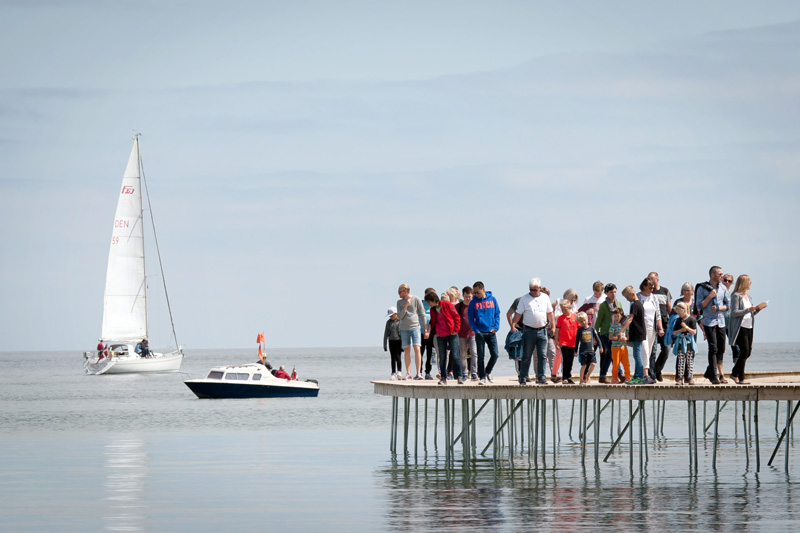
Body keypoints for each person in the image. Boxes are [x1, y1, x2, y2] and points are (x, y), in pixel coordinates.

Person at [510, 278, 555, 385]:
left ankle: (541, 376)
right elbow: (518, 313)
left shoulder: (545, 298)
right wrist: (513, 325)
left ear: (540, 288)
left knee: (542, 355)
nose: (533, 292)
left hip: (542, 330)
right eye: (531, 290)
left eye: (535, 290)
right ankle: (523, 376)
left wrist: (553, 326)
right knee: (526, 355)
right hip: (528, 330)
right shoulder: (524, 299)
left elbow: (550, 313)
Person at [729, 274, 767, 384]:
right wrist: (747, 310)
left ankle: (734, 373)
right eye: (749, 282)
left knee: (748, 352)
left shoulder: (748, 297)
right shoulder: (736, 296)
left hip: (749, 326)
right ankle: (741, 377)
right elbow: (734, 313)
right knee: (744, 351)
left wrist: (758, 309)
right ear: (744, 283)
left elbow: (751, 313)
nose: (750, 284)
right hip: (740, 327)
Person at [696, 266, 731, 384]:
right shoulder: (702, 288)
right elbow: (699, 306)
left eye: (722, 274)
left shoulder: (723, 288)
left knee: (721, 348)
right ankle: (714, 375)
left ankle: (709, 370)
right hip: (709, 321)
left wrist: (720, 308)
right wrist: (710, 296)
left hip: (720, 321)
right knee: (713, 347)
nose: (722, 276)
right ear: (712, 275)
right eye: (719, 274)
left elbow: (728, 304)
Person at [424, 292, 463, 385]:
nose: (428, 304)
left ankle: (460, 377)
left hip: (452, 334)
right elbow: (432, 322)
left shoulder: (447, 304)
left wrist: (456, 329)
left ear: (433, 300)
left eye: (429, 302)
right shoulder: (432, 310)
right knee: (442, 357)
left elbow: (456, 316)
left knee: (455, 355)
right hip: (440, 336)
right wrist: (432, 332)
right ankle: (443, 378)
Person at [620, 285, 656, 385]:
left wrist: (622, 330)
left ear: (632, 294)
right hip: (638, 332)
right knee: (637, 355)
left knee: (637, 355)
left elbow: (630, 319)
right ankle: (636, 375)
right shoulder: (639, 304)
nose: (627, 300)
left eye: (627, 297)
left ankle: (640, 376)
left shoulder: (635, 305)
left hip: (638, 333)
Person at [468, 281, 501, 385]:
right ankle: (482, 377)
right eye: (474, 293)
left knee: (495, 354)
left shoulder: (492, 299)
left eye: (477, 292)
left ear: (483, 289)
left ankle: (488, 371)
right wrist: (476, 331)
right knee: (480, 356)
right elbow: (470, 319)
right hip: (479, 333)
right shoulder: (473, 302)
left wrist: (496, 327)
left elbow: (497, 314)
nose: (475, 295)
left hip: (491, 332)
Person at [396, 284, 427, 380]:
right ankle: (408, 373)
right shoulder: (399, 302)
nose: (399, 294)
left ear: (405, 291)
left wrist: (425, 329)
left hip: (415, 327)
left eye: (399, 292)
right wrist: (405, 306)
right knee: (407, 350)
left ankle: (419, 373)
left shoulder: (416, 299)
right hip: (404, 329)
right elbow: (399, 317)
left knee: (417, 349)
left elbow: (422, 314)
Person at [637, 277, 665, 380]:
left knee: (649, 352)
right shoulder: (638, 296)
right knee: (644, 349)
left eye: (653, 287)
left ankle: (644, 373)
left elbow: (658, 315)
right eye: (649, 287)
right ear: (644, 286)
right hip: (641, 327)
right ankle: (645, 375)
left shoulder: (654, 298)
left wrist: (660, 328)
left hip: (651, 328)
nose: (651, 289)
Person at [594, 283, 622, 383]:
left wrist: (623, 333)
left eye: (615, 292)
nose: (613, 294)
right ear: (606, 293)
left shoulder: (619, 304)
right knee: (613, 353)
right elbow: (598, 321)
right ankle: (620, 374)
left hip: (616, 333)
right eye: (611, 292)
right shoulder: (604, 306)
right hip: (605, 333)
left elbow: (622, 319)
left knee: (609, 355)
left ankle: (602, 376)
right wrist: (595, 335)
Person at [649, 272, 672, 381]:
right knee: (652, 351)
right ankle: (652, 373)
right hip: (651, 324)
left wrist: (671, 321)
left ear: (657, 279)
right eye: (648, 279)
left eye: (652, 279)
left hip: (664, 322)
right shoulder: (647, 292)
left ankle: (657, 369)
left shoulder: (665, 291)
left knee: (666, 348)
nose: (650, 281)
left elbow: (669, 307)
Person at [672, 302, 698, 385]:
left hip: (689, 342)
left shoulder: (691, 319)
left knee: (690, 360)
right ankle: (680, 377)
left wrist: (686, 327)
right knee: (681, 361)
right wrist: (681, 330)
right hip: (680, 342)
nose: (679, 315)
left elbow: (694, 332)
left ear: (684, 311)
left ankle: (690, 377)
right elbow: (674, 332)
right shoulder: (678, 320)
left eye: (679, 313)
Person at [456, 286, 478, 381]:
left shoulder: (475, 305)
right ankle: (464, 373)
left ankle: (474, 372)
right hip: (461, 334)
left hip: (472, 333)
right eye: (466, 296)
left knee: (474, 352)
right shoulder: (458, 307)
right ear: (463, 295)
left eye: (469, 296)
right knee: (463, 354)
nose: (468, 298)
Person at [555, 299, 578, 384]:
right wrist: (557, 342)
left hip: (572, 342)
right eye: (562, 310)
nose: (564, 311)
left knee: (571, 360)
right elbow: (557, 331)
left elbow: (579, 329)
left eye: (565, 309)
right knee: (565, 359)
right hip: (563, 342)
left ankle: (569, 376)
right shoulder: (560, 318)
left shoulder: (575, 317)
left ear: (569, 308)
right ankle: (564, 377)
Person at [575, 311, 602, 385]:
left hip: (591, 350)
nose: (583, 322)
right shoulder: (579, 330)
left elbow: (597, 339)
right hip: (583, 351)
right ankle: (581, 380)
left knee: (593, 364)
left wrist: (600, 347)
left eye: (584, 320)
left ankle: (588, 376)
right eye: (581, 321)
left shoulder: (592, 329)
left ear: (587, 319)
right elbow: (577, 341)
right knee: (584, 365)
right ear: (579, 322)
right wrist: (575, 350)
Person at [608, 308, 631, 384]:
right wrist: (618, 338)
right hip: (615, 348)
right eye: (615, 316)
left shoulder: (625, 325)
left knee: (626, 363)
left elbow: (628, 336)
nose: (616, 318)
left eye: (618, 316)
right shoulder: (613, 325)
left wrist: (625, 338)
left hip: (624, 347)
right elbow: (610, 337)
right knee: (616, 364)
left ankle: (627, 377)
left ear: (621, 316)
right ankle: (614, 378)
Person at [721, 273, 739, 364]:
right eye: (725, 280)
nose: (727, 282)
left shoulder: (733, 294)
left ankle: (737, 368)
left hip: (731, 324)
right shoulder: (719, 293)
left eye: (729, 281)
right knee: (720, 347)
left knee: (735, 345)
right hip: (720, 322)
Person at [420, 287, 437, 380]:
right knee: (420, 353)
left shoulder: (435, 305)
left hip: (431, 333)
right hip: (420, 332)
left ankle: (428, 372)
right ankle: (419, 372)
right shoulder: (421, 304)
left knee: (430, 354)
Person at [383, 307, 403, 380]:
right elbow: (385, 334)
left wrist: (403, 344)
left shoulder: (400, 321)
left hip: (399, 341)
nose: (390, 317)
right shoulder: (388, 322)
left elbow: (403, 333)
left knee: (398, 356)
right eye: (390, 316)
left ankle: (399, 371)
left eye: (392, 315)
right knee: (393, 357)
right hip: (391, 341)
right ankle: (393, 373)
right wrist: (384, 344)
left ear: (396, 314)